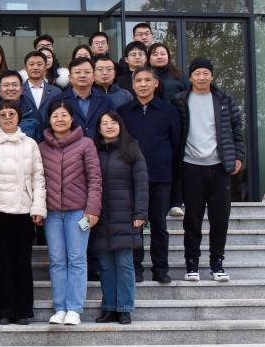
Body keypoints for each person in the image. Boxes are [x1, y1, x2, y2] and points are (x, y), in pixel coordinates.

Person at [0, 99, 46, 326]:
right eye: (2, 114)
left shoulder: (30, 144)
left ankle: (23, 311)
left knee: (22, 263)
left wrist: (38, 207)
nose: (7, 118)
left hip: (24, 210)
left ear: (18, 117)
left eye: (11, 114)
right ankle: (3, 311)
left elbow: (38, 178)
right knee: (1, 262)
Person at [173, 58, 244, 282]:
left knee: (220, 219)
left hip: (219, 167)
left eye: (206, 73)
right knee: (192, 220)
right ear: (190, 77)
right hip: (190, 166)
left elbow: (237, 129)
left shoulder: (224, 99)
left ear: (212, 76)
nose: (202, 77)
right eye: (197, 73)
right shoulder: (180, 100)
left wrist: (238, 156)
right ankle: (191, 263)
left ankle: (217, 263)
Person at [39, 101, 102, 326]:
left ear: (72, 119)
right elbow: (38, 180)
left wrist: (92, 209)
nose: (60, 119)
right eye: (55, 115)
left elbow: (95, 179)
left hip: (78, 212)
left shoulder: (86, 144)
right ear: (49, 120)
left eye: (64, 115)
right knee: (57, 260)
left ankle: (74, 308)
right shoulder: (41, 147)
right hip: (52, 213)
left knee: (76, 259)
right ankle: (60, 308)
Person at [119, 67, 181, 284]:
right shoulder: (123, 112)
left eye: (147, 80)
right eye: (139, 81)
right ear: (133, 85)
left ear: (156, 83)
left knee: (159, 225)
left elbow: (176, 144)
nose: (143, 84)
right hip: (130, 178)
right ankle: (136, 268)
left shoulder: (169, 111)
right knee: (134, 225)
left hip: (160, 176)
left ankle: (160, 268)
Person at [91, 111, 148, 325]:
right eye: (104, 123)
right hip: (100, 216)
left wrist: (140, 213)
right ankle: (109, 307)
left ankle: (124, 308)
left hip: (125, 215)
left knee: (124, 264)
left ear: (120, 125)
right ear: (98, 129)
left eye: (113, 122)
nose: (109, 126)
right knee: (105, 265)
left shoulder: (131, 148)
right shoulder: (93, 151)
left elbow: (141, 183)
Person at [0, 72, 41, 141]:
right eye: (6, 85)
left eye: (15, 85)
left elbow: (39, 140)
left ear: (21, 89)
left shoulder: (33, 113)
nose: (10, 88)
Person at [62, 57, 109, 138]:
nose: (82, 75)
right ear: (70, 78)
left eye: (87, 72)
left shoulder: (106, 100)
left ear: (94, 77)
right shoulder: (60, 100)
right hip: (70, 145)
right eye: (77, 72)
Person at [21, 50, 63, 124]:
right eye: (31, 64)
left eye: (39, 64)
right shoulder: (19, 91)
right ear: (25, 68)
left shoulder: (56, 92)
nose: (35, 68)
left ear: (45, 67)